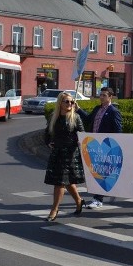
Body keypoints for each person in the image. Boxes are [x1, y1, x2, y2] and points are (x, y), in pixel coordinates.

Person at [44, 92, 87, 221]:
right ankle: (79, 201)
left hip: (70, 153)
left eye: (71, 102)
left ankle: (54, 209)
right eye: (67, 101)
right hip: (57, 152)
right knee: (67, 182)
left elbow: (82, 133)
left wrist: (80, 140)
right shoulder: (54, 116)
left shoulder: (76, 117)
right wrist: (48, 142)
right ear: (60, 103)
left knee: (60, 183)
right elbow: (47, 133)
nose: (70, 104)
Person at [80, 87, 123, 208]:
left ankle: (98, 199)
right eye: (101, 95)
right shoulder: (97, 109)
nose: (101, 97)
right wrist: (78, 109)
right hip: (95, 145)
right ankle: (97, 197)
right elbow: (88, 120)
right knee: (96, 171)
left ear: (110, 97)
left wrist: (112, 146)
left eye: (104, 95)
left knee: (101, 173)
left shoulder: (114, 111)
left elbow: (118, 131)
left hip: (106, 146)